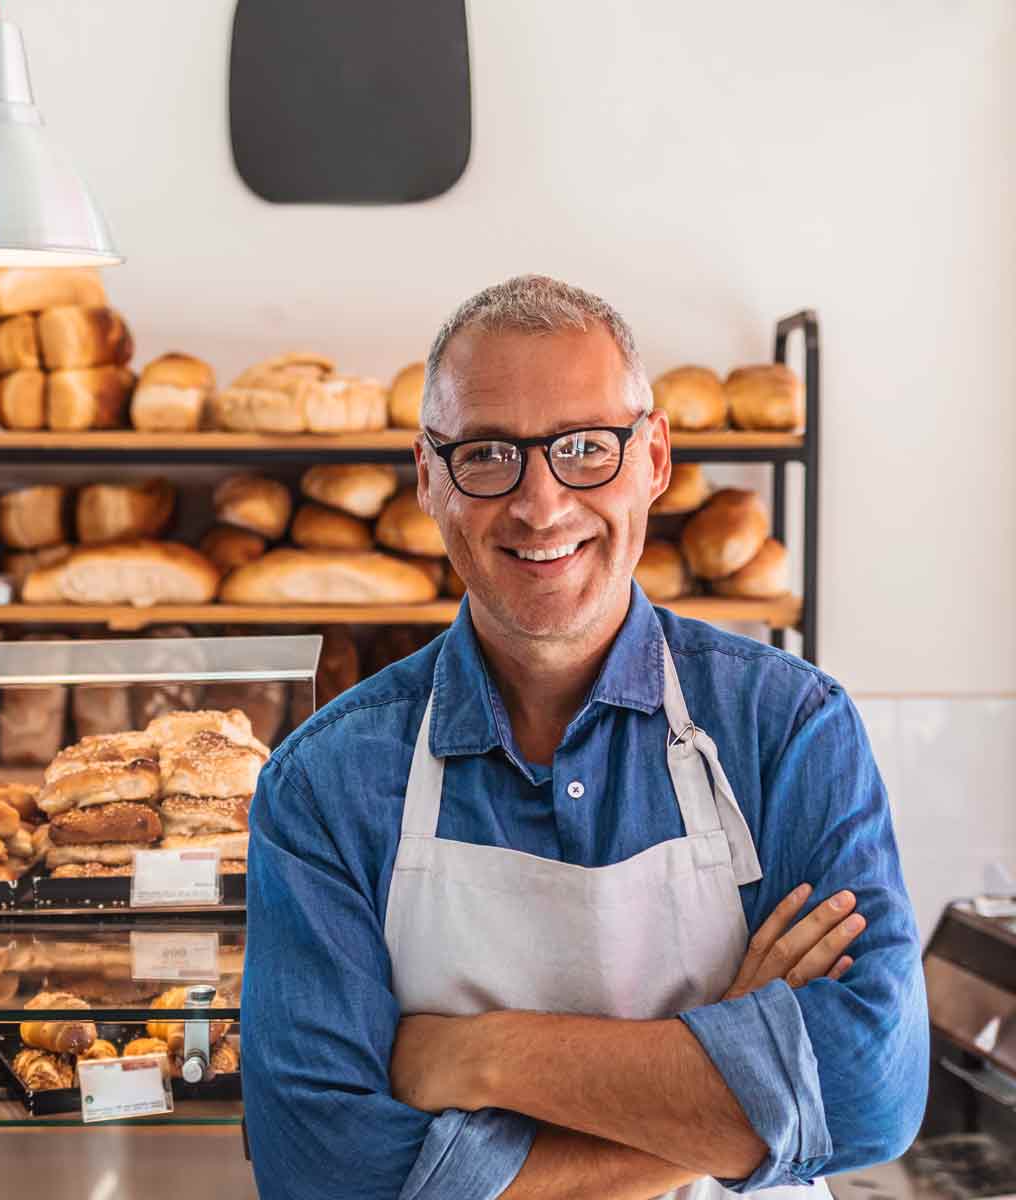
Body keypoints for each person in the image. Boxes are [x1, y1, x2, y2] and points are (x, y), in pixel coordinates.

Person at [242, 275, 928, 1200]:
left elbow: (867, 1096)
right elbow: (324, 1171)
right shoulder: (324, 785)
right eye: (487, 454)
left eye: (583, 450)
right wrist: (742, 1087)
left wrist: (481, 1058)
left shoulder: (787, 729)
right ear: (428, 478)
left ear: (654, 458)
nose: (540, 504)